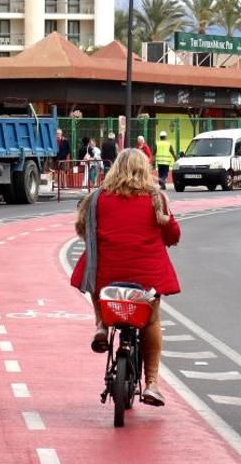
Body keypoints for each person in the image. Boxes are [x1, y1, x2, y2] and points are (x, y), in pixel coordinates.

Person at [71, 148, 180, 407]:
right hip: (146, 281)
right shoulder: (156, 199)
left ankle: (101, 326)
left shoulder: (97, 198)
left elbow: (81, 229)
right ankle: (152, 383)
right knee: (151, 321)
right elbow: (173, 238)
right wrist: (165, 222)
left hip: (107, 277)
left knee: (95, 282)